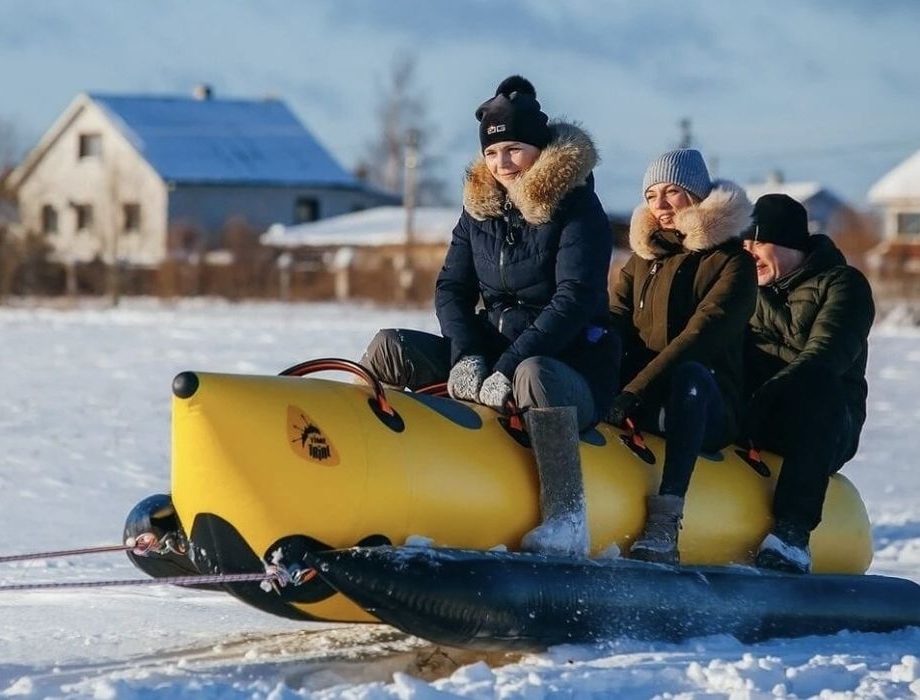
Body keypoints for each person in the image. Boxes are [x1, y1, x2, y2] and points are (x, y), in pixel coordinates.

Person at [362, 75, 619, 557]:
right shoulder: (478, 210)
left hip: (569, 368)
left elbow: (574, 300)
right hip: (491, 356)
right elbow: (451, 288)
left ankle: (565, 518)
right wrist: (467, 357)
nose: (502, 164)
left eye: (514, 150)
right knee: (390, 347)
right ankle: (362, 477)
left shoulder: (578, 209)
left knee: (531, 373)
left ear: (540, 151)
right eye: (493, 153)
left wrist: (504, 367)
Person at [607, 149, 757, 565]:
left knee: (690, 373)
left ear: (697, 193)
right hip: (641, 397)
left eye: (672, 192)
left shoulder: (733, 263)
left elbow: (701, 336)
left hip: (705, 405)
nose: (661, 205)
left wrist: (634, 392)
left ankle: (666, 520)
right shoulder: (642, 262)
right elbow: (617, 321)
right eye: (652, 195)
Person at [742, 194, 875, 574]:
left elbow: (827, 353)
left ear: (788, 242)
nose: (748, 252)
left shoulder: (844, 284)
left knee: (817, 381)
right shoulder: (745, 289)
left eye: (757, 241)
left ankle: (792, 534)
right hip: (756, 413)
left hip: (827, 424)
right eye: (743, 244)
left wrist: (765, 396)